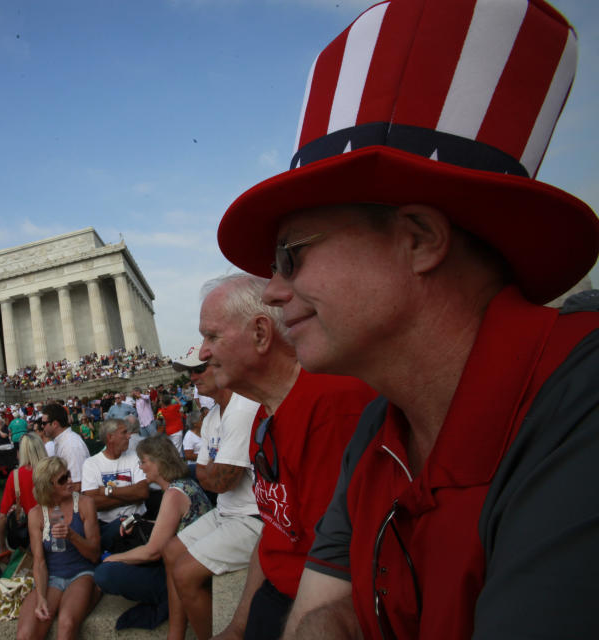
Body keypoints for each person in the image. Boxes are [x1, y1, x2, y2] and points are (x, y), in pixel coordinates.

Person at [214, 0, 599, 637]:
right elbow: (321, 605)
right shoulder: (382, 424)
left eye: (291, 255)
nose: (274, 293)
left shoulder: (580, 405)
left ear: (419, 238)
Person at [194, 275, 375, 640]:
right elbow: (275, 531)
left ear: (261, 334)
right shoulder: (265, 414)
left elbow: (340, 562)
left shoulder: (333, 406)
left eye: (212, 336)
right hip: (277, 597)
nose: (201, 353)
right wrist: (239, 626)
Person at [162, 347, 262, 640]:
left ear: (221, 365)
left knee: (184, 572)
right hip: (227, 511)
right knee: (170, 551)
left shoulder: (243, 408)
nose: (193, 377)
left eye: (199, 369)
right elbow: (207, 475)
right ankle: (176, 634)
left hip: (254, 518)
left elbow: (222, 481)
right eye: (189, 372)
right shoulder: (213, 416)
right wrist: (213, 474)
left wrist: (212, 474)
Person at [95, 436, 212, 629]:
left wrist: (114, 558)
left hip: (181, 574)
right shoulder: (185, 484)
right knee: (121, 524)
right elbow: (175, 523)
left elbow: (153, 552)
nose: (140, 466)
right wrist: (138, 521)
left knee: (104, 574)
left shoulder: (173, 495)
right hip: (192, 563)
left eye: (143, 461)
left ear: (158, 462)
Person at [16, 457, 100, 640]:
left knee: (66, 624)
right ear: (49, 485)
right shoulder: (36, 514)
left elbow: (94, 555)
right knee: (25, 634)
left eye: (68, 475)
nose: (70, 481)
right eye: (63, 479)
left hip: (81, 572)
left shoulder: (85, 504)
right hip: (53, 577)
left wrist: (72, 536)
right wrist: (41, 598)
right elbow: (39, 561)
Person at [80, 419, 149, 552]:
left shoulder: (134, 457)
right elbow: (93, 503)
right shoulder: (91, 464)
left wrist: (107, 491)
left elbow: (143, 493)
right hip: (108, 527)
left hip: (138, 522)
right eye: (124, 433)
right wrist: (132, 496)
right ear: (110, 437)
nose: (129, 436)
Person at [0, 433, 46, 555]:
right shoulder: (51, 471)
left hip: (29, 534)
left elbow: (2, 516)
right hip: (54, 527)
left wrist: (2, 547)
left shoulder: (16, 476)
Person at [41, 403, 88, 492]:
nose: (42, 426)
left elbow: (78, 485)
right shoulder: (61, 441)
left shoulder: (71, 445)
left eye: (44, 423)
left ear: (55, 424)